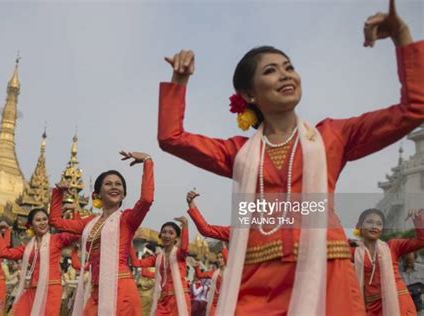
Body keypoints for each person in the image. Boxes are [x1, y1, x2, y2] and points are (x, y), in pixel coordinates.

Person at [157, 0, 423, 314]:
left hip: (327, 271)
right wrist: (179, 83)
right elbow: (171, 138)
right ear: (249, 95)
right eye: (271, 71)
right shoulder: (240, 153)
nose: (286, 75)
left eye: (289, 67)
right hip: (258, 281)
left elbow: (413, 109)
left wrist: (402, 36)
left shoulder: (331, 137)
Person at [49, 151, 154, 315]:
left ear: (123, 194)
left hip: (121, 288)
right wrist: (58, 194)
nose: (114, 187)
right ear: (97, 194)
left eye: (118, 184)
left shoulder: (127, 219)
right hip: (96, 290)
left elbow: (146, 200)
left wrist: (147, 162)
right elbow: (55, 221)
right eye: (108, 184)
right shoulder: (89, 223)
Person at [0, 208, 79, 316]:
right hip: (32, 289)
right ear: (31, 225)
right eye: (38, 220)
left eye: (45, 219)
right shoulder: (28, 247)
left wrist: (74, 215)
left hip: (51, 289)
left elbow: (76, 235)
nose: (43, 223)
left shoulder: (57, 239)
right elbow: (4, 253)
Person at [352, 208, 424, 315]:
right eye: (369, 222)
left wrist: (418, 219)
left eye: (379, 223)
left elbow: (421, 240)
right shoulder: (353, 252)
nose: (374, 226)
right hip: (372, 307)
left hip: (399, 302)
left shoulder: (392, 246)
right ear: (359, 226)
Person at [130, 218, 190, 316]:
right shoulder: (157, 257)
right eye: (164, 232)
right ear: (160, 235)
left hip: (179, 299)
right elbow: (136, 263)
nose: (166, 235)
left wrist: (185, 226)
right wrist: (130, 240)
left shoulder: (179, 255)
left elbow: (184, 248)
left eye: (171, 233)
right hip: (163, 299)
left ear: (177, 238)